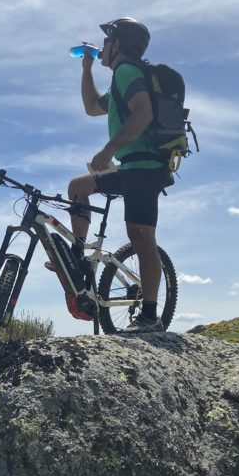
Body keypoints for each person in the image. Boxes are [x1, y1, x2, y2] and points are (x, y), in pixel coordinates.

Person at [68, 17, 172, 333]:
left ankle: (151, 315)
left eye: (107, 41)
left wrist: (108, 150)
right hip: (130, 168)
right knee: (78, 188)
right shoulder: (118, 80)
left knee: (141, 235)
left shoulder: (127, 72)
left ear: (118, 45)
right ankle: (78, 258)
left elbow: (143, 113)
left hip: (145, 167)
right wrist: (86, 68)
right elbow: (91, 107)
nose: (102, 47)